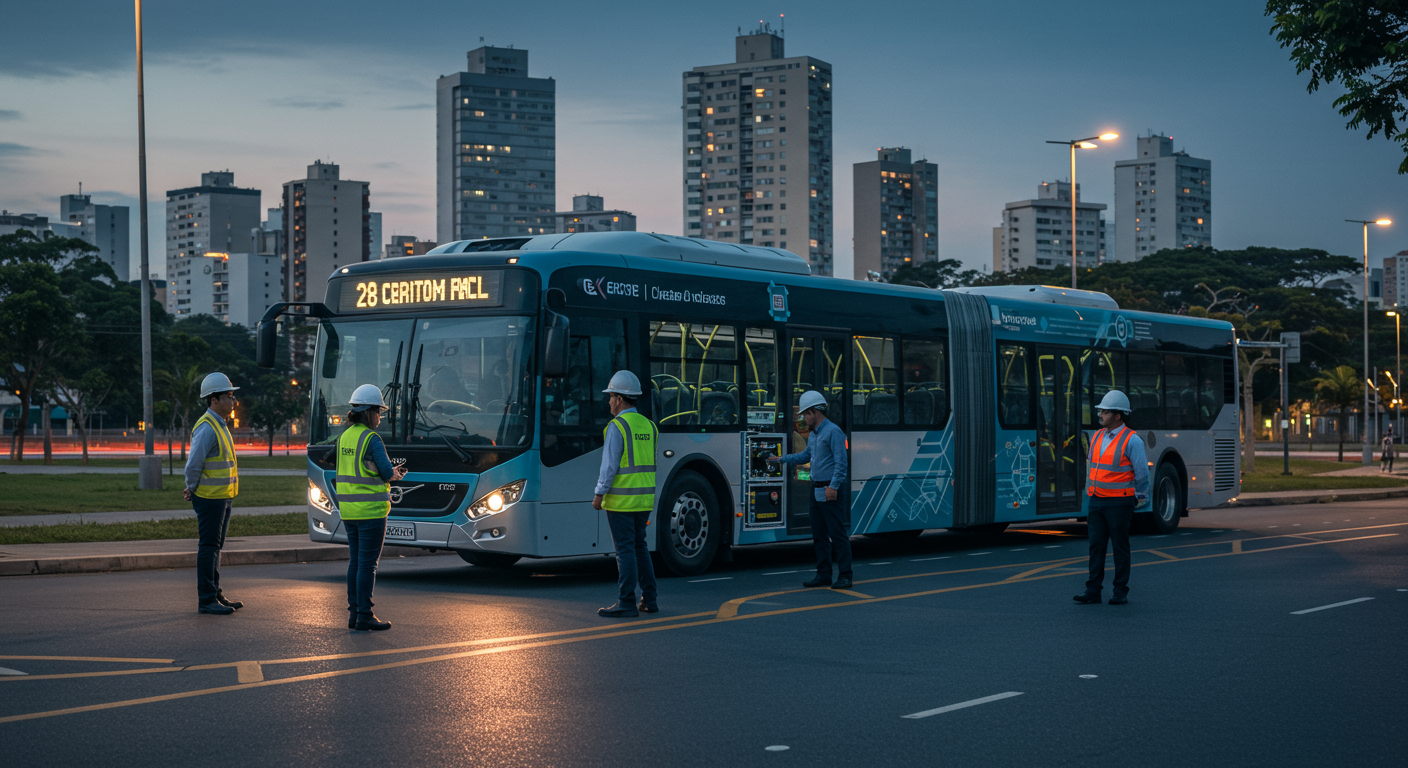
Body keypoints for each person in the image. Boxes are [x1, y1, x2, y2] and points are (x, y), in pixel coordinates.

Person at [336, 384, 408, 631]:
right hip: (370, 511)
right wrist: (394, 474)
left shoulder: (344, 436)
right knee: (368, 564)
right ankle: (365, 615)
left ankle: (354, 614)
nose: (380, 417)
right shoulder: (371, 438)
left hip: (348, 510)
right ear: (370, 412)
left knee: (355, 562)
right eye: (379, 411)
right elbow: (386, 472)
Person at [769, 390, 853, 590]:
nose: (804, 419)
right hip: (816, 490)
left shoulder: (833, 431)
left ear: (815, 412)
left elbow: (842, 464)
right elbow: (805, 456)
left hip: (829, 490)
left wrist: (833, 487)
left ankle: (846, 575)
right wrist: (781, 459)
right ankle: (823, 574)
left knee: (838, 534)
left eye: (806, 414)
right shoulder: (814, 435)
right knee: (819, 535)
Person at [593, 370, 659, 618]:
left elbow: (609, 466)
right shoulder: (650, 426)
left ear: (620, 399)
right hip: (644, 499)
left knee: (625, 551)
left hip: (621, 501)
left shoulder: (617, 426)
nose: (609, 401)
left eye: (611, 396)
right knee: (639, 547)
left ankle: (627, 601)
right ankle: (650, 599)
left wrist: (599, 494)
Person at [1074, 390, 1150, 606]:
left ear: (1118, 415)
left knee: (1119, 547)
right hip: (1097, 500)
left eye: (1104, 411)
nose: (1100, 415)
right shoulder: (1097, 436)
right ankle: (1093, 591)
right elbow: (1092, 467)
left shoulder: (1131, 440)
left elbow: (1142, 472)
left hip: (1119, 502)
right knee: (1096, 546)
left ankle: (1119, 591)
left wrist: (1139, 497)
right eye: (1100, 411)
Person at [184, 372, 242, 615]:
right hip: (209, 498)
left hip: (222, 497)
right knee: (209, 547)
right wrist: (191, 487)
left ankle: (215, 593)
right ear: (213, 400)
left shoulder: (220, 425)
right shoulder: (207, 428)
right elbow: (193, 464)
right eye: (229, 396)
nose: (233, 401)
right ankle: (206, 599)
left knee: (215, 547)